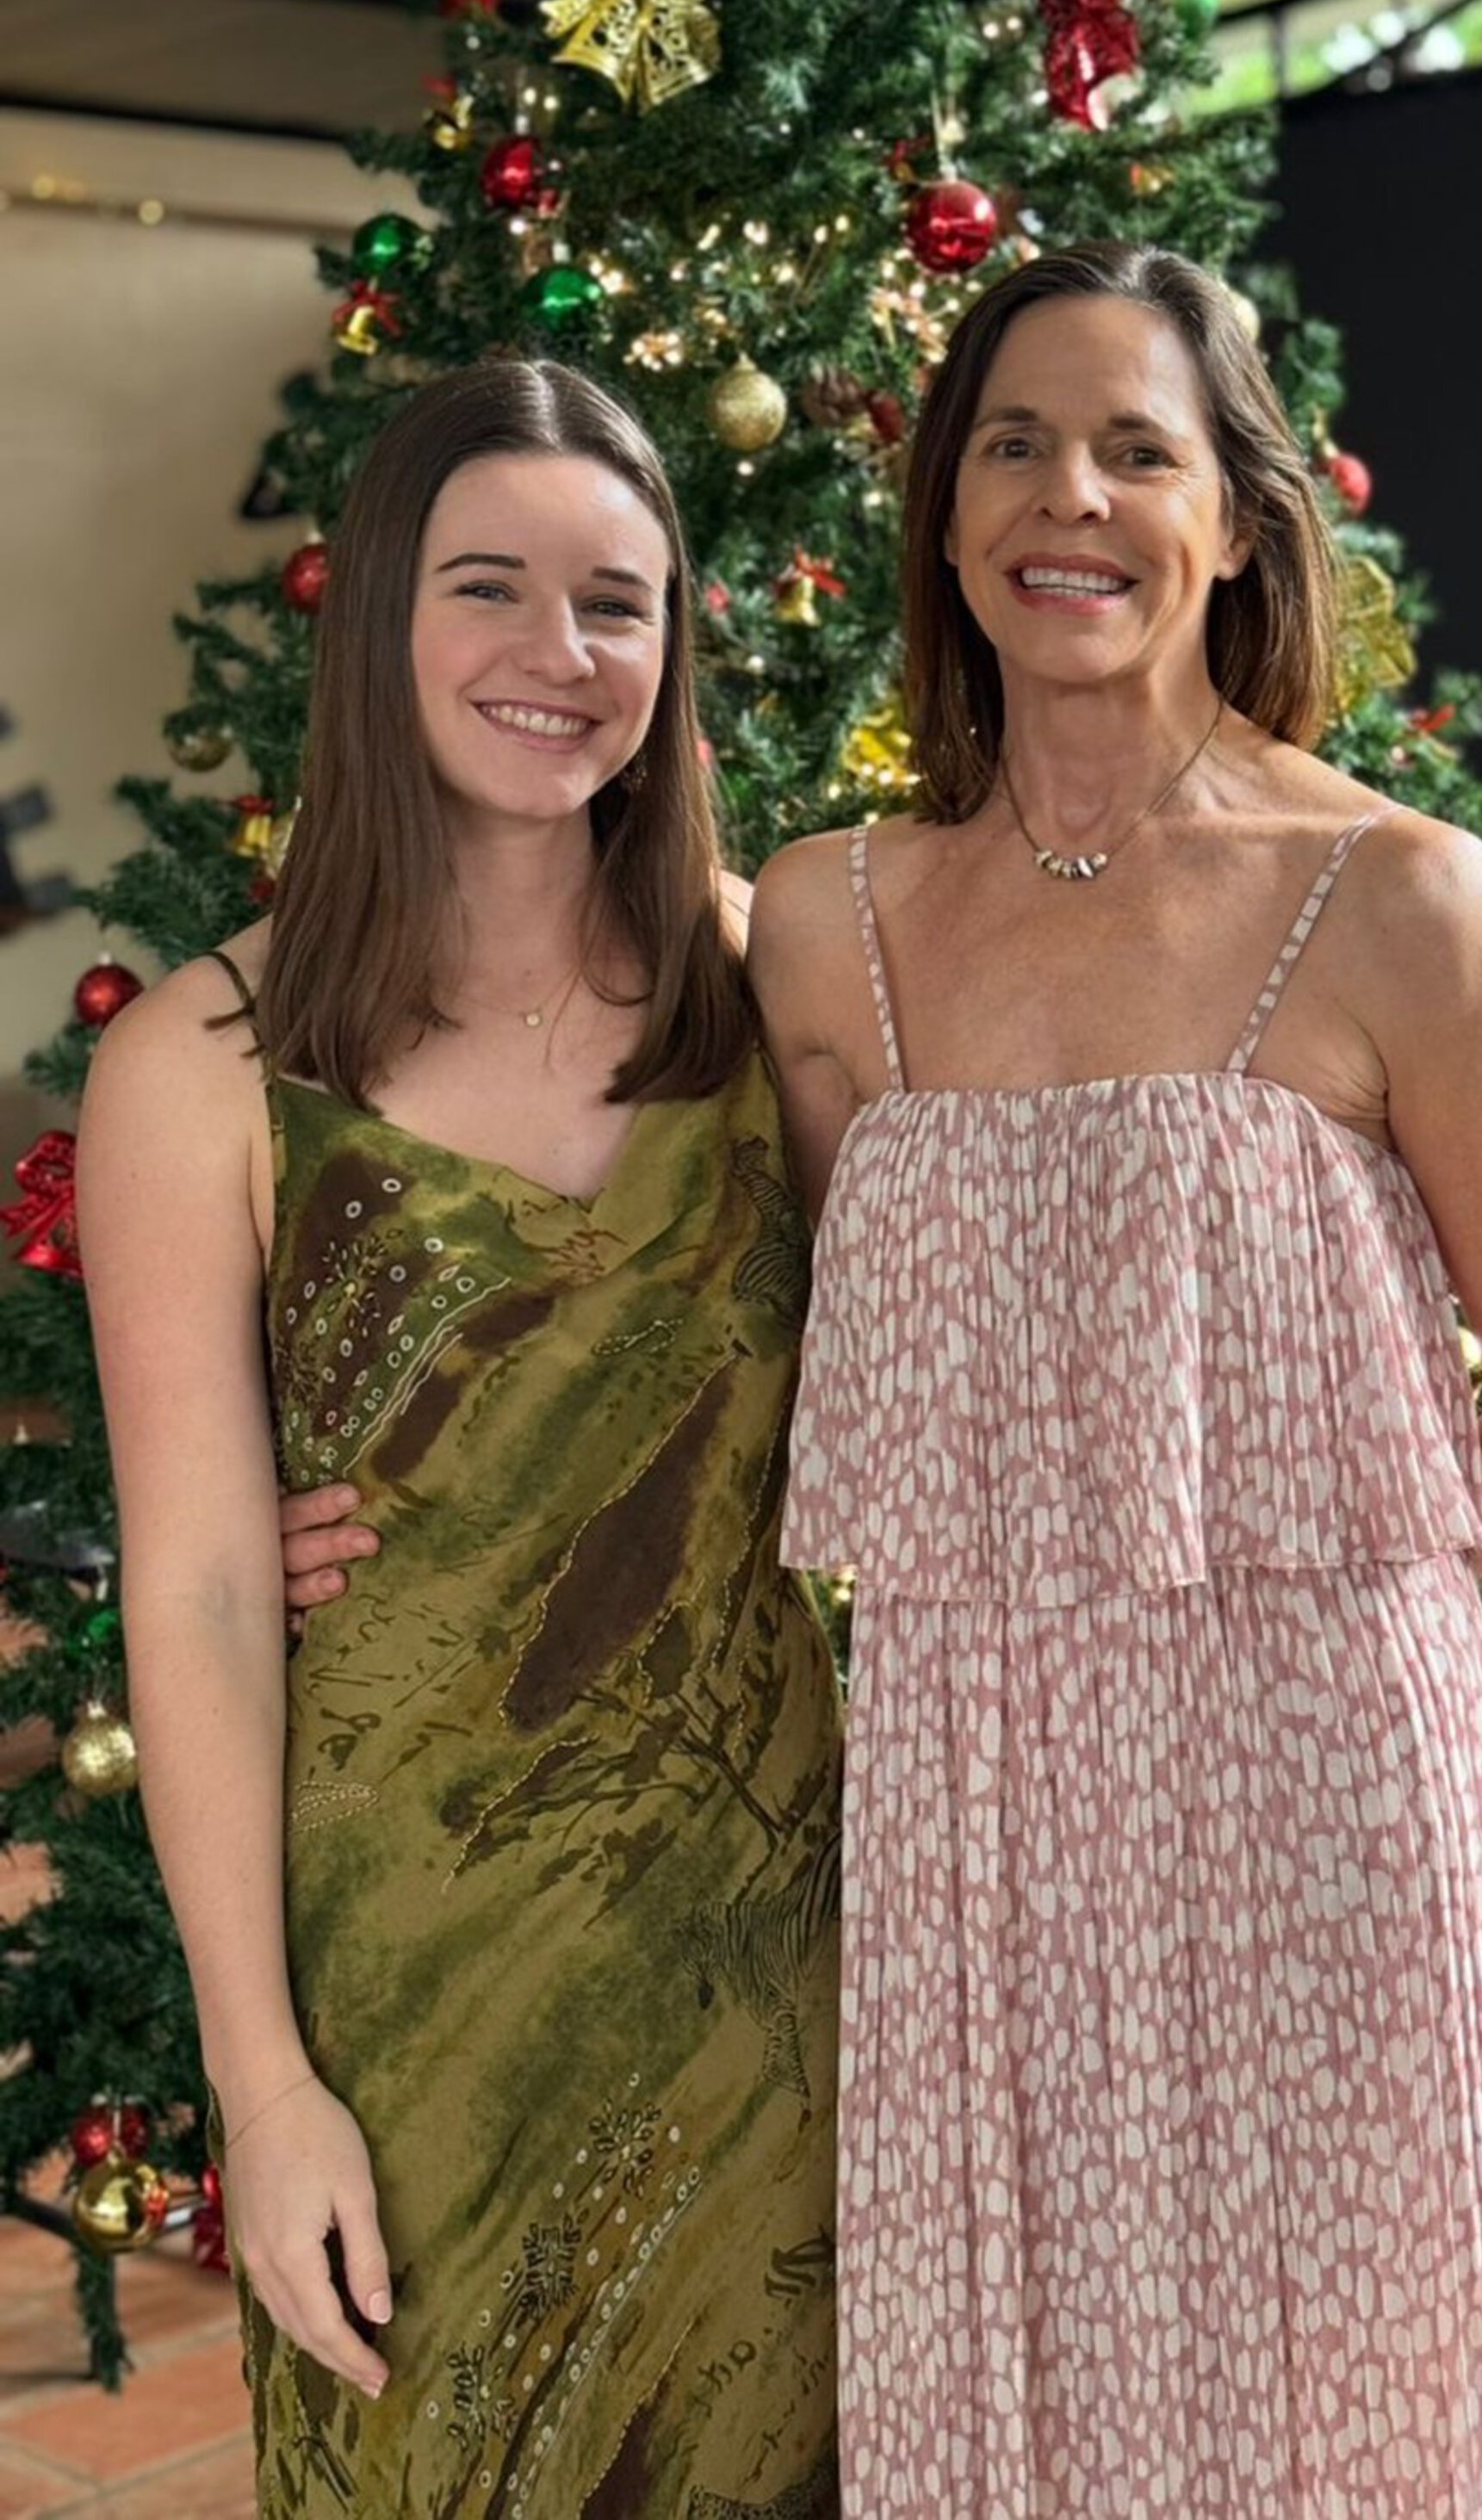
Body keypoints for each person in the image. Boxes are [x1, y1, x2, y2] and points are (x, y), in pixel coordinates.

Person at [748, 244, 1482, 2513]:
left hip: (1322, 1813)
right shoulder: (826, 921)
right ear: (947, 511)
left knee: (1339, 2420)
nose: (1069, 498)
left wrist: (1301, 1646)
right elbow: (757, 1344)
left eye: (1135, 450)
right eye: (1014, 444)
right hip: (974, 1827)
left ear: (1237, 520)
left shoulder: (1400, 897)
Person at [78, 361, 842, 2519]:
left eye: (617, 602)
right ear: (376, 621)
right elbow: (202, 1591)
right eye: (488, 586)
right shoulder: (202, 1062)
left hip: (774, 1962)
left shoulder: (775, 988)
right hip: (413, 1980)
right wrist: (261, 2085)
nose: (557, 652)